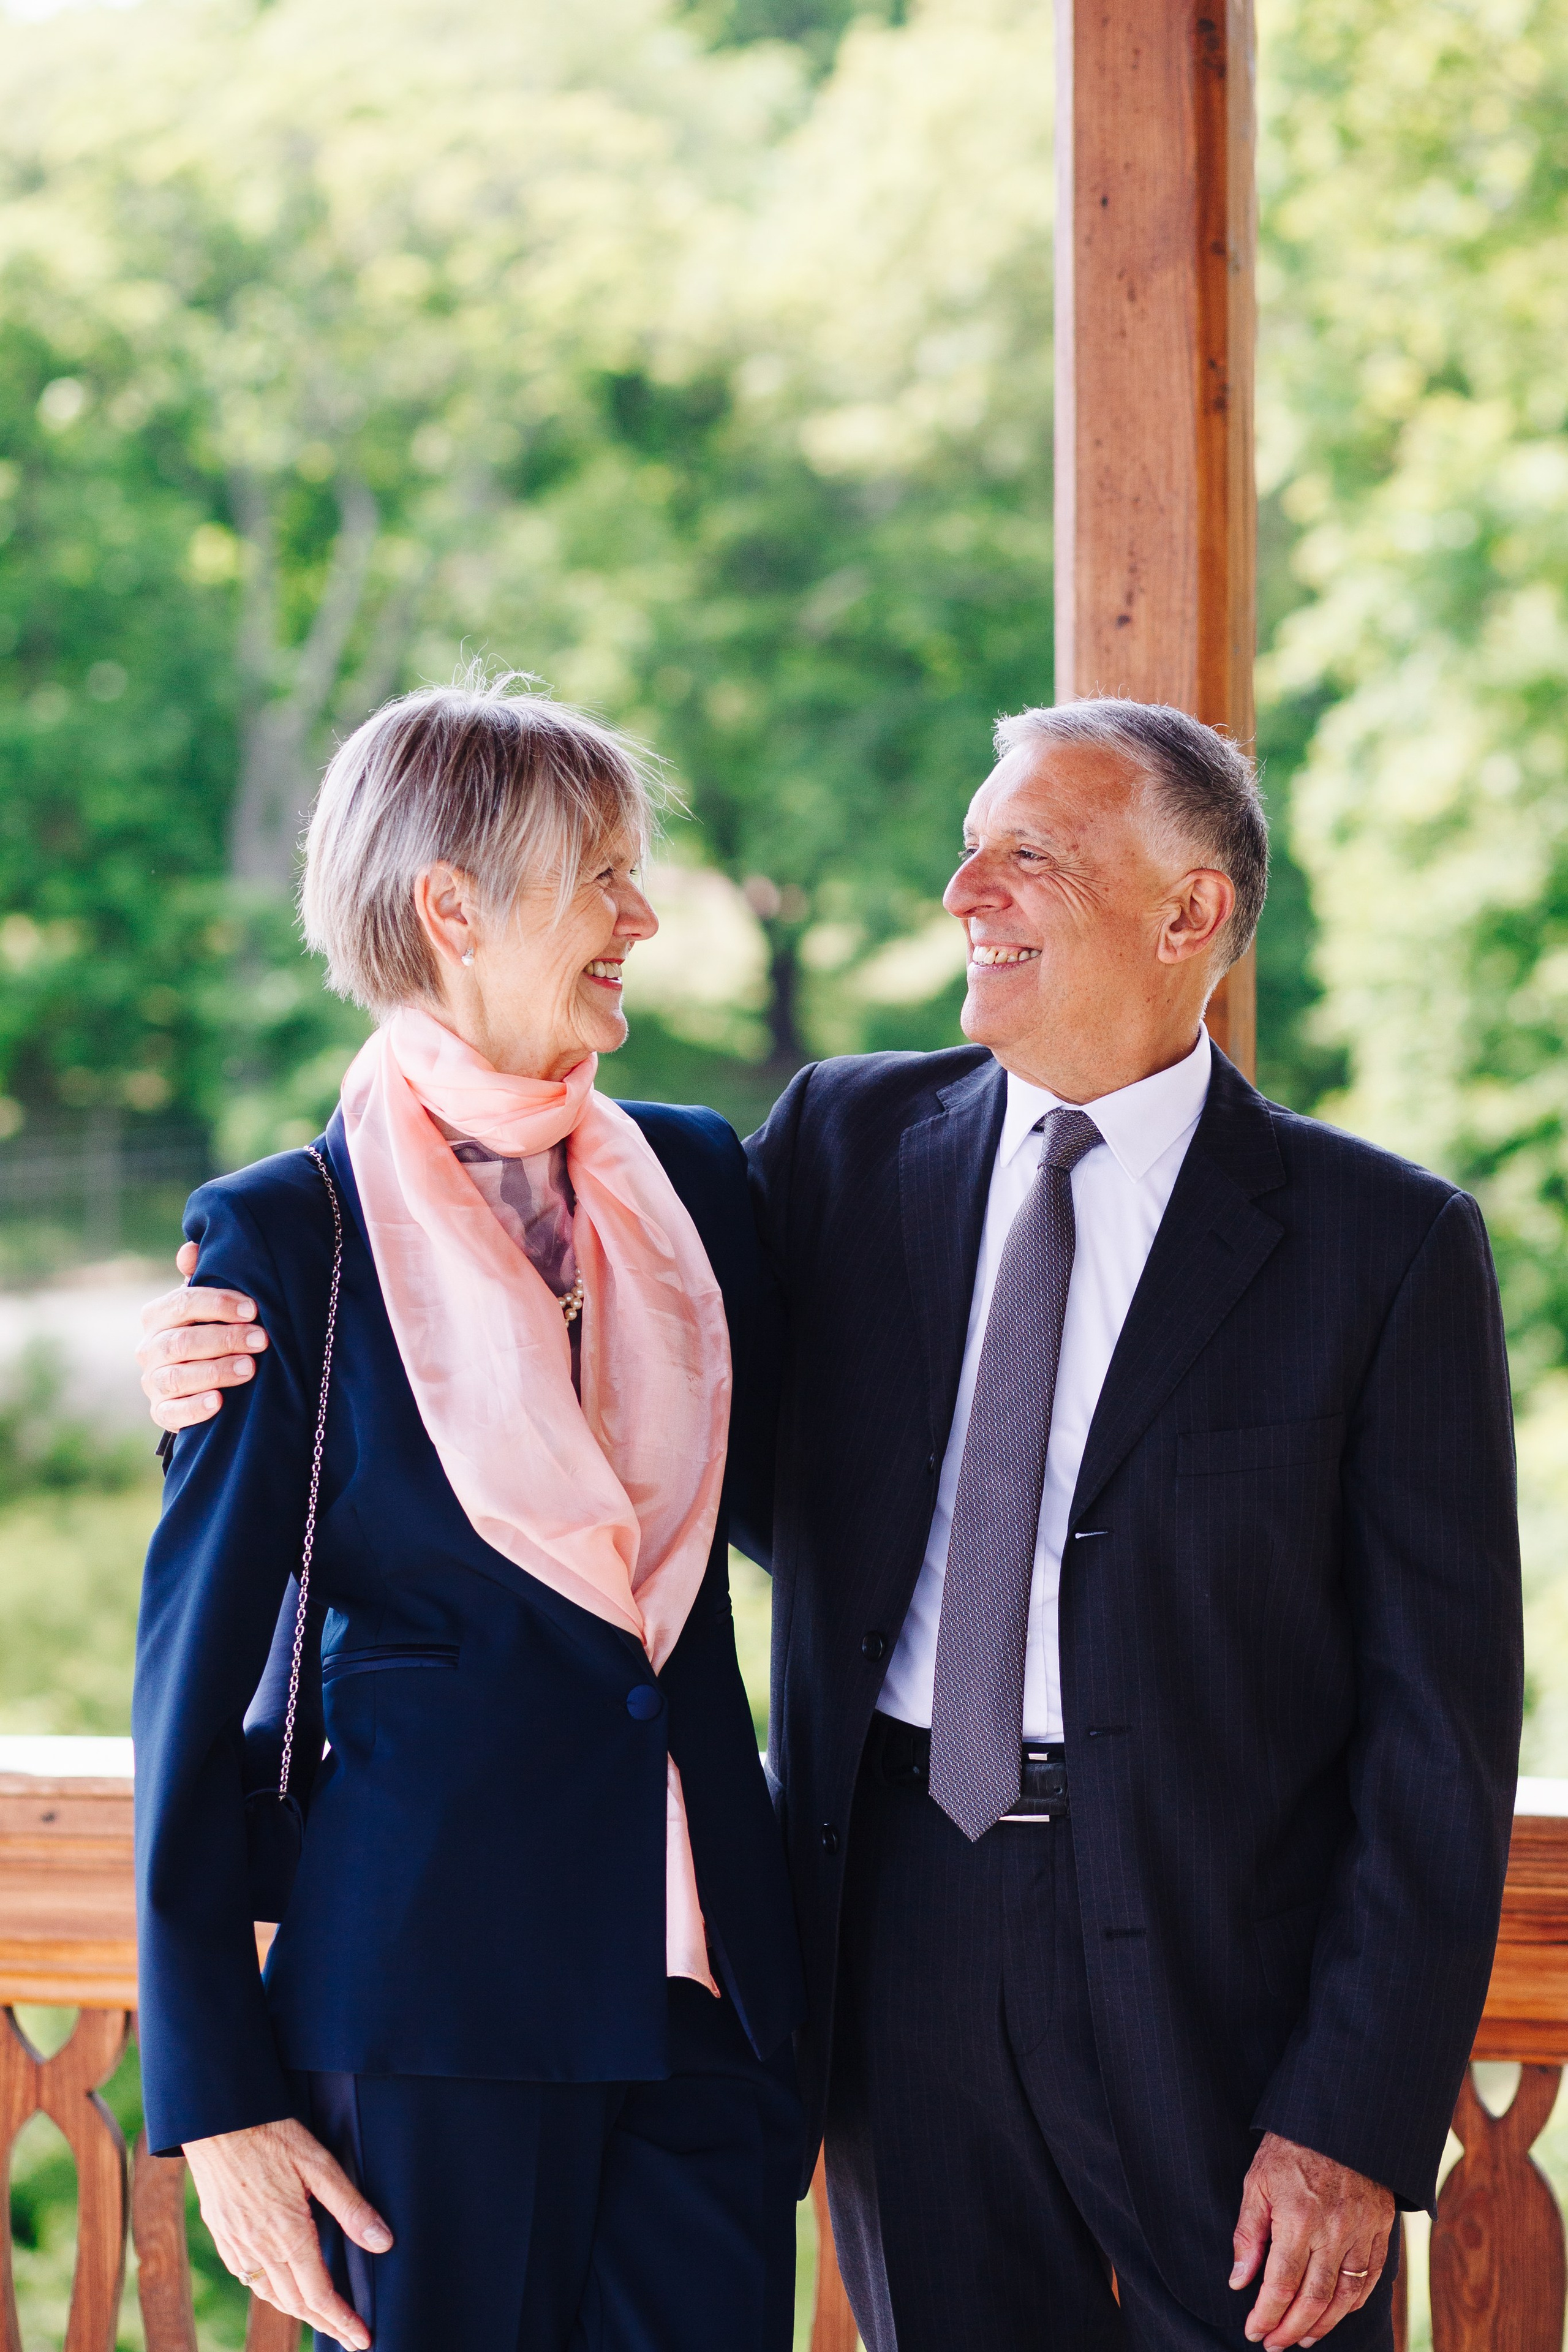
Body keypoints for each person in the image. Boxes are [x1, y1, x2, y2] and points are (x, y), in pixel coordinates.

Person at [141, 695, 1523, 2352]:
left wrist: (1361, 2115)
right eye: (967, 849)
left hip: (1185, 1975)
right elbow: (258, 1627)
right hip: (828, 1953)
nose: (964, 893)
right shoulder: (824, 1154)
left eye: (1030, 858)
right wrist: (204, 1364)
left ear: (1191, 913)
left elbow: (1439, 1738)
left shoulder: (1378, 1248)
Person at [132, 677, 803, 2352]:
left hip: (711, 2006)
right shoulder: (286, 1245)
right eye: (605, 876)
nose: (642, 916)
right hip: (423, 2013)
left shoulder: (704, 1182)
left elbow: (821, 1506)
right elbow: (187, 1689)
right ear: (452, 906)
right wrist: (217, 2099)